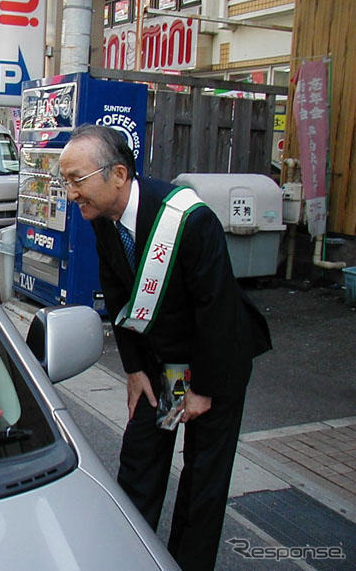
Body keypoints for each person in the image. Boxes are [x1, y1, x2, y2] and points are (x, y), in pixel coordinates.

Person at [59, 124, 271, 570]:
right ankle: (128, 554)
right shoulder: (103, 217)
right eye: (65, 181)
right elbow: (118, 297)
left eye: (76, 180)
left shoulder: (189, 220)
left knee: (202, 476)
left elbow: (216, 309)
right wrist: (135, 369)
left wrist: (205, 390)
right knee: (143, 453)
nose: (70, 193)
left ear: (118, 173)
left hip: (217, 363)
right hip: (168, 366)